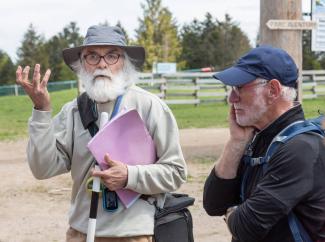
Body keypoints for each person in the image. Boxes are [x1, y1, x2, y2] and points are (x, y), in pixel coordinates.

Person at [16, 25, 187, 242]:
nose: (102, 64)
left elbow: (176, 172)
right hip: (80, 234)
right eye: (92, 56)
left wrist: (129, 176)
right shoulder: (73, 111)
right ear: (82, 64)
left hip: (134, 235)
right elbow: (42, 169)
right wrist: (41, 111)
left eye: (112, 56)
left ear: (124, 62)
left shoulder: (149, 107)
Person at [203, 46, 325, 242]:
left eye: (240, 87)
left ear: (273, 90)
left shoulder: (301, 148)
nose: (232, 98)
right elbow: (214, 204)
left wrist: (234, 213)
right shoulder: (259, 136)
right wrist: (236, 143)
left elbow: (246, 226)